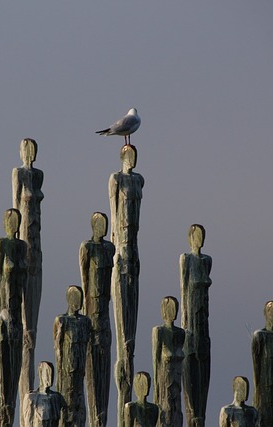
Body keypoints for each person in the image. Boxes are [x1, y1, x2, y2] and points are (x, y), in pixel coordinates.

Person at [109, 144, 144, 426]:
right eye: (127, 156)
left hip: (134, 244)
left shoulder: (139, 180)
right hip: (120, 245)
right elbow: (114, 207)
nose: (131, 161)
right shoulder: (117, 180)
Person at [12, 138, 45, 414]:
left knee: (32, 327)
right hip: (23, 247)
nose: (30, 155)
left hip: (37, 252)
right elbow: (15, 206)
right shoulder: (19, 175)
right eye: (27, 150)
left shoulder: (39, 175)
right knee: (23, 329)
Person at [0, 208, 28, 427]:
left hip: (18, 311)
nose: (13, 224)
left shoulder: (23, 247)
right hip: (4, 311)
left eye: (16, 221)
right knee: (3, 378)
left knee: (15, 371)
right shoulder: (1, 245)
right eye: (10, 220)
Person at [79, 212, 115, 426]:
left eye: (105, 224)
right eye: (99, 224)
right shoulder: (87, 248)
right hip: (91, 303)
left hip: (104, 304)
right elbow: (84, 275)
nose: (103, 228)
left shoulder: (110, 248)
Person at [180, 224, 212, 427]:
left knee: (204, 357)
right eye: (197, 236)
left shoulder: (207, 260)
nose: (199, 240)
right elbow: (184, 289)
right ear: (190, 238)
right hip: (190, 315)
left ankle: (201, 412)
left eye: (202, 236)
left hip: (203, 315)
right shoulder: (187, 259)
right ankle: (193, 412)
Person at [53, 286, 91, 427]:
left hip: (80, 370)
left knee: (78, 403)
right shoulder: (62, 321)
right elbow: (57, 347)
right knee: (67, 403)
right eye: (75, 298)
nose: (79, 302)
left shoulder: (85, 322)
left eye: (80, 299)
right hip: (66, 370)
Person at [152, 296, 185, 427]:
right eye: (169, 308)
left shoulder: (181, 333)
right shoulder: (159, 331)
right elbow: (155, 360)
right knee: (166, 409)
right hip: (164, 378)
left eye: (174, 308)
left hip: (177, 377)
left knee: (176, 408)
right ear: (163, 311)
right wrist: (156, 386)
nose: (173, 312)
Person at [22, 361, 67, 427]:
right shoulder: (31, 397)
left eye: (52, 373)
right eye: (47, 372)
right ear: (40, 374)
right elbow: (28, 421)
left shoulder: (57, 397)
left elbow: (66, 417)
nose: (50, 377)